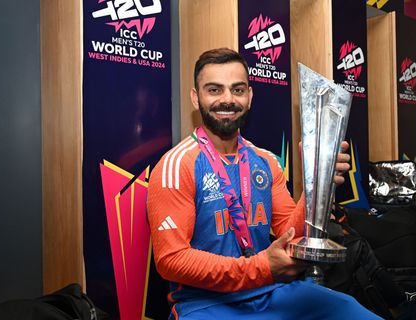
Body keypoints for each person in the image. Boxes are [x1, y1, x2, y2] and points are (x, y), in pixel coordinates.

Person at [147, 48, 381, 320]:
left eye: (237, 90)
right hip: (206, 302)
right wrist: (260, 267)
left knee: (356, 313)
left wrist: (317, 184)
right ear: (195, 97)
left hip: (273, 291)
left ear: (250, 96)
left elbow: (290, 234)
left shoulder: (266, 161)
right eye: (214, 90)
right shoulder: (176, 165)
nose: (227, 100)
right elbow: (171, 261)